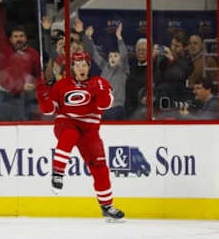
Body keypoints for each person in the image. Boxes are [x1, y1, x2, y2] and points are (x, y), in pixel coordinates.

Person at [35, 51, 125, 222]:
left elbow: (105, 105)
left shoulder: (99, 82)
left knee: (99, 165)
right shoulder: (62, 85)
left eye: (84, 64)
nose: (81, 68)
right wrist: (43, 96)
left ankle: (107, 206)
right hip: (66, 121)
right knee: (69, 135)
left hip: (90, 129)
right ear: (72, 68)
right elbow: (48, 110)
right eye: (77, 65)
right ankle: (58, 173)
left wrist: (100, 91)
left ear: (89, 67)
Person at [0, 0, 40, 121]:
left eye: (21, 36)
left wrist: (35, 85)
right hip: (3, 96)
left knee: (23, 130)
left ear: (26, 38)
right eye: (15, 36)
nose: (18, 38)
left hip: (23, 97)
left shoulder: (33, 54)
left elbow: (39, 75)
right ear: (10, 39)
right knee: (1, 131)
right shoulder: (5, 48)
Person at [82, 21, 129, 120]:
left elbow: (124, 55)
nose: (112, 58)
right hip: (104, 108)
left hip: (117, 109)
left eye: (115, 56)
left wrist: (119, 38)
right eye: (110, 56)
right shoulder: (105, 67)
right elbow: (94, 54)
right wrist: (89, 39)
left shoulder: (123, 69)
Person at [125, 38, 147, 119]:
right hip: (128, 109)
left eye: (144, 50)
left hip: (143, 110)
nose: (140, 53)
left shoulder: (153, 68)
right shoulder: (131, 68)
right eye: (138, 50)